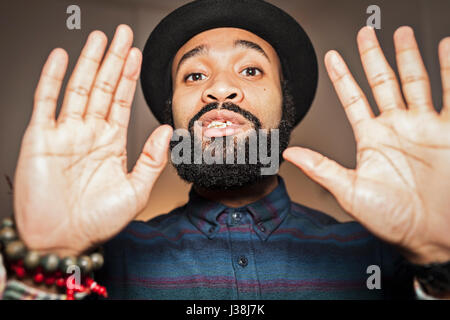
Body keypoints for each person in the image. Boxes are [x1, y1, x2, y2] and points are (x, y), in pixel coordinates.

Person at [0, 0, 449, 300]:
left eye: (251, 70)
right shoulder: (103, 261)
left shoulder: (381, 256)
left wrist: (438, 256)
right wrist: (52, 256)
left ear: (284, 104)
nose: (220, 88)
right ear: (172, 113)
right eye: (194, 76)